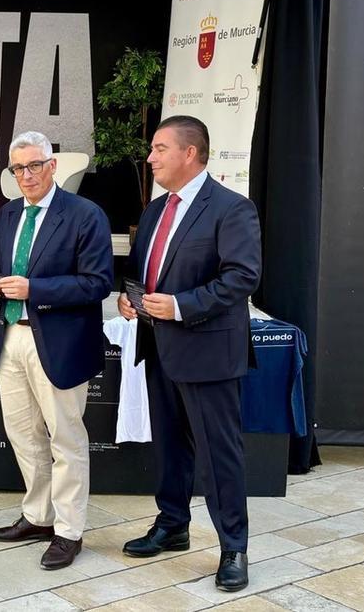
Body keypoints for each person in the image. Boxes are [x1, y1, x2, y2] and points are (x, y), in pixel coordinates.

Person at [117, 115, 261, 592]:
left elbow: (242, 276)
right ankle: (172, 524)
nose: (151, 157)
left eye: (159, 148)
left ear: (190, 153)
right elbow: (143, 270)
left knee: (219, 455)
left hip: (208, 351)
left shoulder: (231, 209)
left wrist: (181, 306)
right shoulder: (157, 210)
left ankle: (233, 548)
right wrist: (129, 296)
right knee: (171, 446)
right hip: (157, 347)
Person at [0, 131, 113, 569]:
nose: (26, 175)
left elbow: (97, 283)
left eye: (34, 165)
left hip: (59, 342)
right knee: (23, 434)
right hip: (12, 335)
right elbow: (3, 270)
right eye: (18, 168)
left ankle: (69, 531)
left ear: (52, 166)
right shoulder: (8, 214)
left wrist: (35, 289)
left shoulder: (84, 214)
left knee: (66, 439)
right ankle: (38, 516)